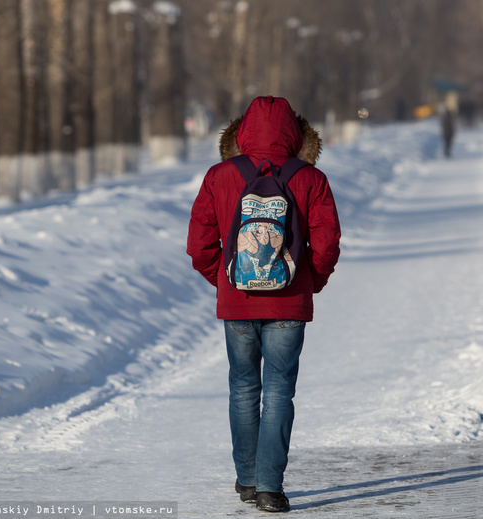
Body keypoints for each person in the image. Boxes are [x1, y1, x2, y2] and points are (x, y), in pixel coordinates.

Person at [187, 96, 341, 513]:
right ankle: (271, 488)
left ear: (241, 132)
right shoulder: (310, 179)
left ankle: (248, 479)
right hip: (288, 303)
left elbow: (199, 245)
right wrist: (311, 280)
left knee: (242, 388)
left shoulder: (220, 175)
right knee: (278, 391)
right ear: (296, 134)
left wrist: (225, 279)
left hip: (237, 302)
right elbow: (326, 244)